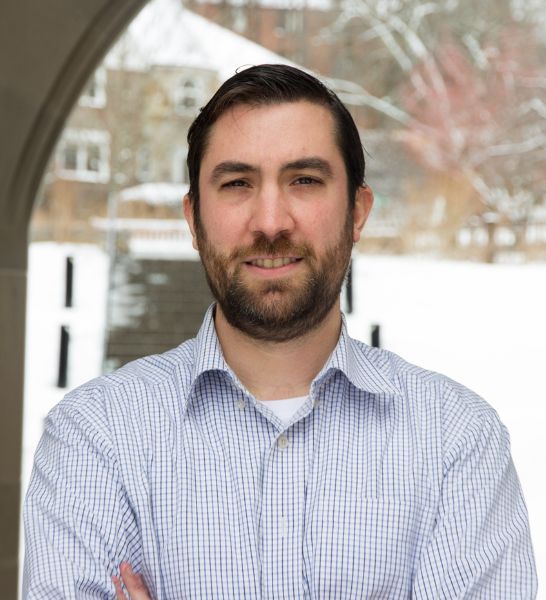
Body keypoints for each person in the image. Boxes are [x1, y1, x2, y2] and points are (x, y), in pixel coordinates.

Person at [24, 64, 537, 599]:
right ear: (194, 218)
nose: (271, 221)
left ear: (357, 212)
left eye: (305, 181)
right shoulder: (94, 439)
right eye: (238, 183)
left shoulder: (456, 441)